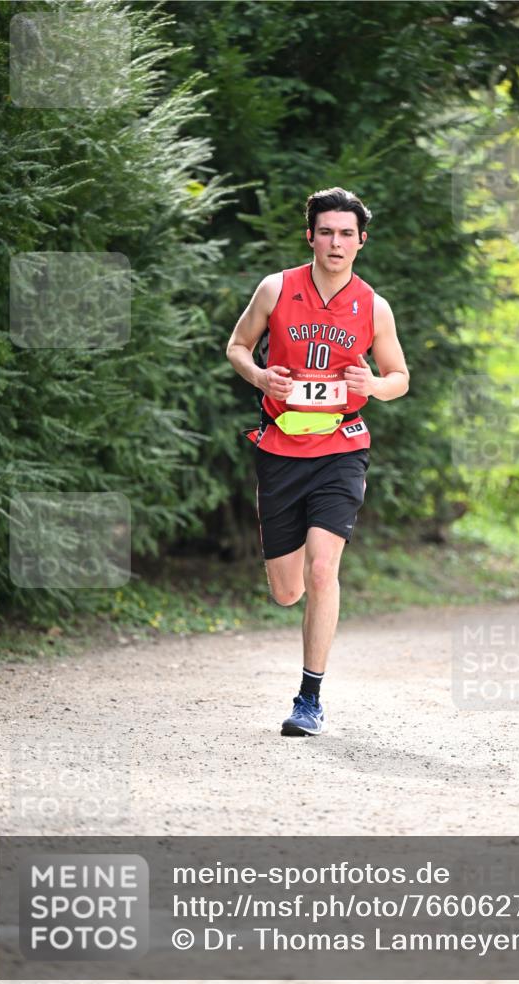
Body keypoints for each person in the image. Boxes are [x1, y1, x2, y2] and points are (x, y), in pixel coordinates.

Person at [226, 187, 409, 736]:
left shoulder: (373, 306)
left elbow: (400, 378)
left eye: (346, 233)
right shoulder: (275, 289)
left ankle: (309, 698)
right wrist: (259, 375)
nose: (336, 242)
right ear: (311, 235)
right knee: (288, 590)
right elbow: (237, 346)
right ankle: (301, 589)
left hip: (342, 446)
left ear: (361, 241)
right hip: (281, 447)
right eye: (326, 231)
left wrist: (372, 385)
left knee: (324, 568)